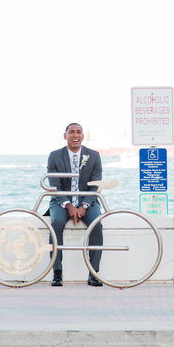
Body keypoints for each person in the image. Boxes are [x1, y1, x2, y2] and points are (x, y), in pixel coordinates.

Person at [44, 123, 104, 287]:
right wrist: (69, 205)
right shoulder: (55, 156)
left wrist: (83, 206)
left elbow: (95, 185)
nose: (75, 135)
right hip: (61, 200)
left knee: (96, 224)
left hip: (88, 200)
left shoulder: (94, 155)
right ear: (65, 136)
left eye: (78, 132)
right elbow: (54, 185)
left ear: (83, 136)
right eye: (71, 132)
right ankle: (57, 272)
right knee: (56, 223)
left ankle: (94, 273)